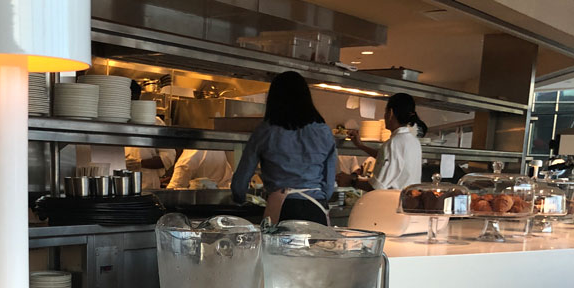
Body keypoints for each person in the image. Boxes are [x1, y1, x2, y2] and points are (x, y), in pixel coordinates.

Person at [230, 71, 336, 225]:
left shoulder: (265, 131)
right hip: (316, 208)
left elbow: (240, 181)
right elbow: (329, 183)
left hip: (280, 208)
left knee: (276, 242)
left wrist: (239, 199)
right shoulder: (324, 131)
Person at [343, 93, 426, 191]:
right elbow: (388, 158)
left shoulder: (393, 143)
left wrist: (350, 181)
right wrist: (361, 146)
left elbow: (376, 187)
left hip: (391, 200)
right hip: (408, 199)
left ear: (390, 113)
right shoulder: (414, 141)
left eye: (385, 111)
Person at [125, 81, 176, 190]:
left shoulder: (154, 122)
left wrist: (140, 163)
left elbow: (168, 158)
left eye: (132, 99)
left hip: (146, 185)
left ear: (138, 97)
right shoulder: (111, 122)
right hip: (114, 184)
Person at [166, 149, 233, 189]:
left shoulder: (191, 154)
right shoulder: (215, 147)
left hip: (200, 202)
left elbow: (175, 187)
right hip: (220, 199)